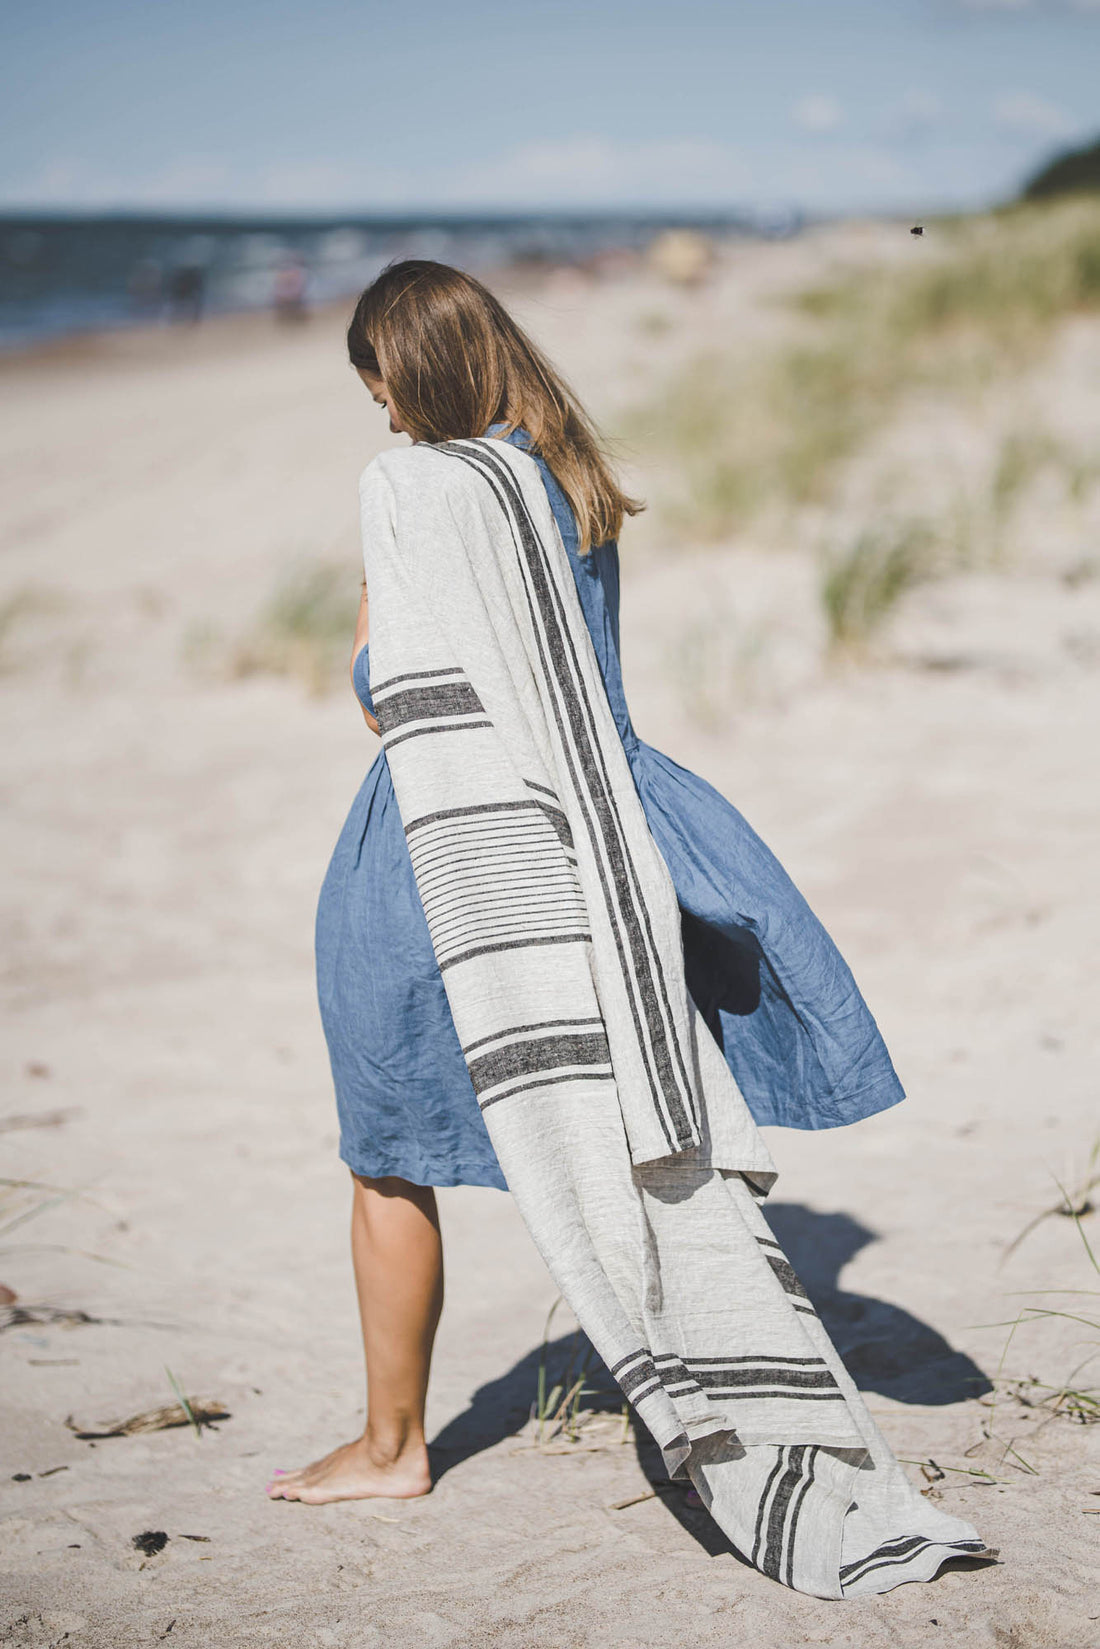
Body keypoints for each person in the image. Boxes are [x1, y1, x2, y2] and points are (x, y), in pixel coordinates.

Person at [267, 260, 906, 1508]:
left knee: (389, 1150)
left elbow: (382, 692)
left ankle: (394, 1447)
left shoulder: (420, 491)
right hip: (618, 824)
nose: (387, 423)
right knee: (646, 1137)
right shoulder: (568, 486)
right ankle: (724, 1371)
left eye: (384, 394)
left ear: (410, 375)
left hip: (448, 847)